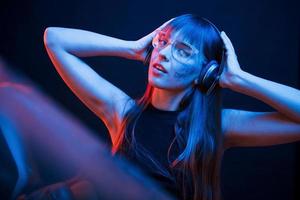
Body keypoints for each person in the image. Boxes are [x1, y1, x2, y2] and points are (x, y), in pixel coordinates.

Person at [43, 14, 300, 200]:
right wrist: (131, 49)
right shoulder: (122, 112)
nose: (163, 53)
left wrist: (239, 80)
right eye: (162, 42)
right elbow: (54, 38)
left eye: (183, 51)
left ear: (206, 72)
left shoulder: (218, 127)